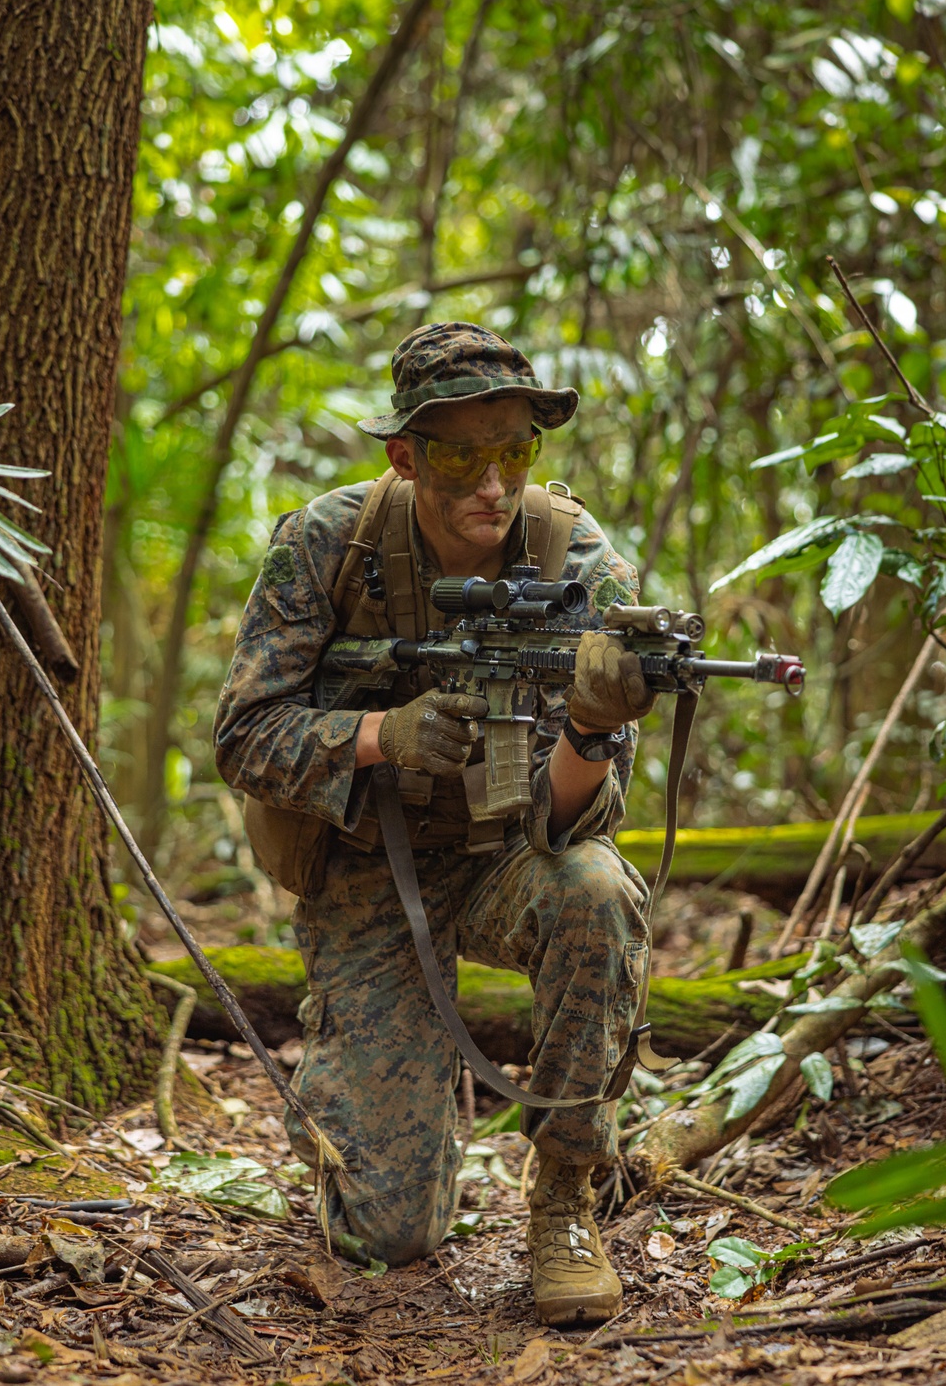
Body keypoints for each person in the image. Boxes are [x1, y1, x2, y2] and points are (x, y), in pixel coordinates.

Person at [214, 321, 657, 1326]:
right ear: (405, 455)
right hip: (369, 871)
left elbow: (577, 819)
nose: (491, 483)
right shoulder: (327, 543)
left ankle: (563, 1200)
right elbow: (242, 733)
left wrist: (590, 725)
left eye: (514, 451)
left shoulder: (576, 555)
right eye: (460, 454)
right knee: (386, 1234)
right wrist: (382, 736)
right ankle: (393, 1087)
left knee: (596, 890)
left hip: (512, 854)